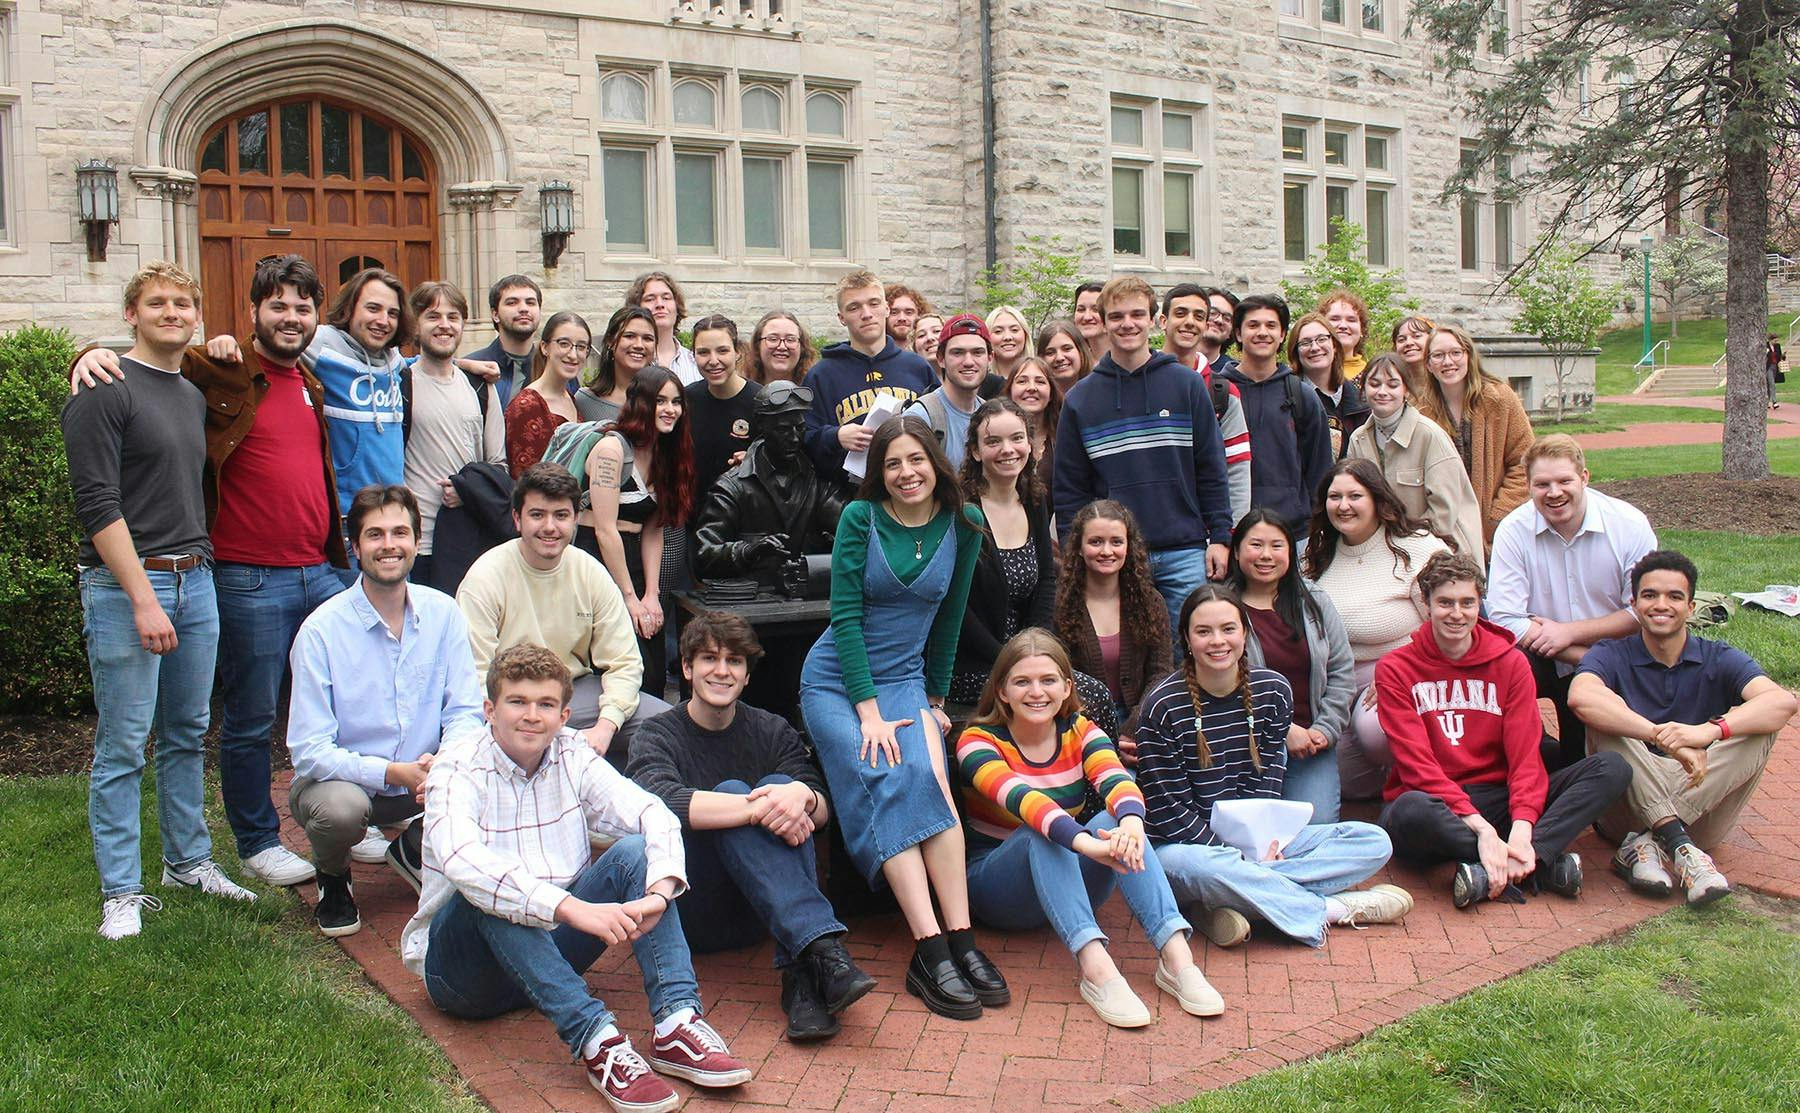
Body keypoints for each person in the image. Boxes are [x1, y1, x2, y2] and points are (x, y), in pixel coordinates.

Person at [72, 253, 351, 887]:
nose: (291, 317)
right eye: (277, 305)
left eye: (302, 307)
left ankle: (331, 825)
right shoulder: (219, 369)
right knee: (243, 720)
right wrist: (85, 352)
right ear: (251, 312)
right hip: (240, 575)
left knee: (325, 712)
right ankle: (249, 841)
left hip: (304, 568)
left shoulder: (306, 381)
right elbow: (135, 377)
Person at [401, 644, 751, 1113]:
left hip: (552, 953)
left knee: (634, 853)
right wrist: (571, 909)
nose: (532, 716)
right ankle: (599, 1042)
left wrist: (660, 892)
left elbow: (652, 812)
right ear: (490, 709)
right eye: (517, 702)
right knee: (491, 894)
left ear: (564, 714)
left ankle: (675, 1023)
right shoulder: (457, 766)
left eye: (545, 705)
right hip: (465, 975)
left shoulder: (572, 754)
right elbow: (465, 861)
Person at [64, 261, 254, 939]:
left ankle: (188, 861)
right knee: (123, 743)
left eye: (183, 303)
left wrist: (227, 344)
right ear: (130, 314)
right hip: (125, 587)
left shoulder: (191, 391)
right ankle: (121, 889)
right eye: (156, 303)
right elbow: (96, 503)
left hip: (195, 579)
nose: (172, 312)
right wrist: (143, 598)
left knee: (184, 733)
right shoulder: (102, 385)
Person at [799, 416, 1006, 1021]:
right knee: (889, 775)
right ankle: (929, 947)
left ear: (934, 462)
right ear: (878, 474)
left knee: (931, 781)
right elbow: (844, 617)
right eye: (892, 464)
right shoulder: (860, 521)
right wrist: (869, 714)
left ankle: (963, 940)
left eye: (915, 460)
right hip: (839, 683)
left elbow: (948, 620)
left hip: (906, 683)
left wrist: (935, 703)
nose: (906, 473)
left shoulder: (963, 524)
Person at [628, 613, 876, 1042]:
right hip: (694, 908)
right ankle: (822, 951)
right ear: (686, 668)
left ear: (746, 676)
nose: (722, 671)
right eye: (709, 658)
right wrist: (753, 808)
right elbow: (659, 803)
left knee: (784, 787)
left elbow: (820, 813)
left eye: (735, 661)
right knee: (743, 791)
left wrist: (804, 796)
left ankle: (803, 978)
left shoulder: (771, 729)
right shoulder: (656, 735)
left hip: (761, 914)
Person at [957, 630, 1221, 1027]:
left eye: (1048, 681)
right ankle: (1097, 971)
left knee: (1115, 820)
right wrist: (1085, 844)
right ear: (1002, 691)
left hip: (1070, 877)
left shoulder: (1081, 730)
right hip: (997, 888)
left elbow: (1116, 778)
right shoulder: (977, 741)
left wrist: (1131, 825)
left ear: (1066, 687)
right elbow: (1027, 802)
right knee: (1040, 831)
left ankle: (1176, 959)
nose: (1036, 692)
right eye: (1022, 682)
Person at [1135, 585, 1411, 949]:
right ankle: (1329, 908)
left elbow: (1265, 783)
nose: (1218, 641)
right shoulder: (1162, 706)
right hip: (1185, 848)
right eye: (1204, 631)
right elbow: (1171, 813)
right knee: (1206, 868)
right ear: (1186, 638)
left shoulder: (1273, 692)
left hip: (1255, 848)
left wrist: (1262, 847)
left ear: (1245, 634)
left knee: (1373, 841)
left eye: (1228, 629)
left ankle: (1237, 900)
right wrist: (1234, 854)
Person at [1377, 552, 1632, 909]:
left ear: (1480, 604)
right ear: (1426, 604)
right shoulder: (1395, 668)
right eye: (1445, 602)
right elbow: (1416, 764)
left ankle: (1513, 860)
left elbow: (1526, 755)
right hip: (1435, 803)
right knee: (1408, 813)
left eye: (1468, 602)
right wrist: (1482, 831)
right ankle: (1538, 864)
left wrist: (1524, 827)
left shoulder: (1510, 662)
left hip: (1498, 796)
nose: (1456, 613)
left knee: (1612, 768)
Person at [286, 485, 485, 935]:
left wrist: (443, 763)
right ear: (355, 547)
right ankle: (333, 878)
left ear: (417, 542)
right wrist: (393, 772)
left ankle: (414, 848)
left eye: (400, 532)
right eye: (375, 535)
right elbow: (309, 751)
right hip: (346, 784)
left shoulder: (444, 613)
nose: (389, 545)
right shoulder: (321, 632)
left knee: (498, 759)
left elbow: (465, 712)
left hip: (423, 775)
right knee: (339, 810)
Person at [1569, 550, 1798, 904]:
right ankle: (1680, 847)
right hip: (1624, 813)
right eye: (1650, 595)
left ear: (1691, 607)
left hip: (1701, 804)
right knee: (1606, 717)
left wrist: (1708, 732)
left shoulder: (1718, 657)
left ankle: (1648, 844)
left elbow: (1782, 702)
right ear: (1634, 604)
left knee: (1759, 726)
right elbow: (1581, 698)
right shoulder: (1611, 654)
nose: (1662, 605)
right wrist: (1660, 735)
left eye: (1674, 596)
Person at [1053, 275, 1235, 638]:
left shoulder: (1186, 386)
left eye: (1137, 314)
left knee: (1188, 649)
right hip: (1114, 555)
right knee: (1125, 653)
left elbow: (1211, 468)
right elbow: (1070, 489)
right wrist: (1078, 556)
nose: (1128, 324)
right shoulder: (1081, 399)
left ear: (1153, 320)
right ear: (1103, 323)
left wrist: (1220, 536)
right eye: (1117, 316)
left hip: (1183, 551)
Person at [457, 464, 671, 763]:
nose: (550, 527)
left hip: (574, 693)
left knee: (667, 726)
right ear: (517, 519)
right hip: (510, 700)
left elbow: (624, 662)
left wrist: (605, 727)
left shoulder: (589, 572)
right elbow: (475, 676)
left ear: (574, 519)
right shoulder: (485, 578)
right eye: (537, 515)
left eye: (560, 515)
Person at [1488, 435, 1657, 772]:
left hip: (1614, 656)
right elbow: (1504, 616)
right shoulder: (1513, 530)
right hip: (1541, 655)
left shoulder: (1628, 524)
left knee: (1583, 764)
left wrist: (1570, 634)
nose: (1554, 493)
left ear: (1584, 478)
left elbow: (1644, 610)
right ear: (1530, 486)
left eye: (1564, 480)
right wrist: (1570, 649)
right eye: (1542, 484)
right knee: (1497, 668)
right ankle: (1522, 756)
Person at [949, 400, 1116, 732]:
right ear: (976, 451)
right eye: (993, 441)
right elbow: (956, 606)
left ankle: (1091, 781)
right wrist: (1011, 659)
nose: (1007, 449)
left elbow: (1045, 583)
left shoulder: (1034, 500)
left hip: (1027, 655)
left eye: (1016, 438)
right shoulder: (960, 513)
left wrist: (1034, 649)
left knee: (1095, 698)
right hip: (974, 662)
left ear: (1030, 443)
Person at [1305, 459, 1452, 799]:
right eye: (1334, 496)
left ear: (1376, 498)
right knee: (1338, 780)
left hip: (1405, 673)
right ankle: (1395, 776)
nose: (1343, 506)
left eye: (1355, 496)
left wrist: (1400, 674)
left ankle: (1432, 778)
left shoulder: (1418, 548)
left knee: (1376, 732)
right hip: (1336, 683)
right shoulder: (1315, 555)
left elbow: (1449, 624)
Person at [1227, 510, 1355, 824]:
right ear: (1237, 550)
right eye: (1256, 545)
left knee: (1315, 827)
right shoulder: (1221, 606)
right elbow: (1218, 683)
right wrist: (1282, 731)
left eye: (1277, 546)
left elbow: (1341, 671)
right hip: (1246, 747)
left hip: (1311, 745)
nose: (1266, 555)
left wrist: (1324, 731)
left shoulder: (1314, 600)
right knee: (1255, 833)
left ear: (1291, 552)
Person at [576, 366, 694, 699]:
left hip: (638, 559)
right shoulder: (611, 451)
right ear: (641, 403)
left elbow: (654, 529)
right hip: (597, 560)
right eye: (660, 401)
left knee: (651, 668)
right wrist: (629, 597)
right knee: (614, 662)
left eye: (676, 402)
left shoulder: (665, 454)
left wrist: (652, 595)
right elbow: (604, 529)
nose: (670, 409)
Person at [401, 281, 506, 589]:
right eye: (433, 316)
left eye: (453, 317)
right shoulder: (400, 383)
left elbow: (498, 463)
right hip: (417, 543)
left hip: (470, 539)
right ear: (415, 324)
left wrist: (468, 490)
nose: (444, 325)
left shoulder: (481, 387)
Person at [1054, 501, 1171, 768]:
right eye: (1096, 542)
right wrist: (1104, 736)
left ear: (1128, 547)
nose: (1107, 551)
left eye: (1116, 542)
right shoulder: (1060, 604)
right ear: (1079, 549)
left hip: (1142, 728)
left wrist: (1132, 729)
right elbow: (1060, 676)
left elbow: (1161, 672)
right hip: (1078, 730)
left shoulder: (1150, 602)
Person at [802, 270, 937, 487]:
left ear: (886, 308)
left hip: (913, 489)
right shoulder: (821, 375)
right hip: (849, 497)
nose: (866, 314)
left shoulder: (918, 367)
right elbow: (802, 438)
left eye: (874, 303)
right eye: (854, 307)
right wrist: (835, 436)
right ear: (841, 318)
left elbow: (940, 428)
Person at [1346, 353, 1484, 562]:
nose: (1382, 391)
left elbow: (1443, 512)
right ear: (1364, 389)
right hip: (1382, 553)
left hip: (1440, 552)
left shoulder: (1430, 435)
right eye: (1374, 384)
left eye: (1393, 385)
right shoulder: (1358, 439)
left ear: (1406, 390)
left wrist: (1406, 543)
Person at [1223, 295, 1333, 537]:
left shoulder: (1301, 395)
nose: (1262, 332)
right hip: (1230, 531)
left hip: (1295, 532)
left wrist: (1318, 528)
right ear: (1238, 334)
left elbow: (1320, 469)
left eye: (1271, 326)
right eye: (1253, 325)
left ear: (1282, 335)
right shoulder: (1216, 392)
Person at [1415, 324, 1533, 546]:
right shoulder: (1420, 411)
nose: (1448, 362)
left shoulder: (1500, 399)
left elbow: (1525, 461)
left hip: (1497, 530)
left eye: (1455, 353)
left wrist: (1497, 517)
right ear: (1429, 364)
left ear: (1469, 356)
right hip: (1442, 532)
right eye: (1438, 355)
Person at [1162, 283, 1253, 523]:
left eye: (1199, 316)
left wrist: (1231, 535)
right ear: (1162, 321)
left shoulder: (1222, 392)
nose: (1189, 322)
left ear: (1205, 326)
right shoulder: (1139, 383)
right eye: (1180, 313)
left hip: (1200, 533)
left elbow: (1236, 470)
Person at [684, 315, 763, 498]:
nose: (713, 360)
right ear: (693, 356)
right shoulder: (686, 400)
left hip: (743, 514)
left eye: (722, 351)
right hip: (692, 514)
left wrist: (756, 461)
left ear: (737, 353)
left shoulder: (761, 402)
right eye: (703, 352)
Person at [505, 311, 588, 477]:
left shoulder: (572, 399)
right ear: (545, 347)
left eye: (581, 347)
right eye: (564, 344)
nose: (573, 354)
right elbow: (523, 479)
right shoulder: (527, 405)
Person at [903, 313, 991, 466]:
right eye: (958, 353)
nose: (969, 361)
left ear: (990, 358)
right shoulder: (921, 417)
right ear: (941, 359)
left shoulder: (989, 414)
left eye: (977, 352)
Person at [1289, 310, 1369, 461]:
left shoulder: (1361, 404)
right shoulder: (1286, 397)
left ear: (1334, 345)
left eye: (1321, 339)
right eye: (1305, 343)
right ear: (1295, 352)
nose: (1314, 347)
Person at [464, 274, 543, 409]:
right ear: (495, 315)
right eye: (512, 302)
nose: (524, 308)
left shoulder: (553, 369)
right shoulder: (472, 369)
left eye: (530, 302)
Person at [578, 306, 655, 424]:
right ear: (610, 341)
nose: (639, 345)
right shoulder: (584, 401)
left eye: (647, 338)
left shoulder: (664, 401)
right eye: (629, 336)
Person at [628, 270, 699, 386]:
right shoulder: (629, 362)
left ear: (677, 306)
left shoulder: (695, 362)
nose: (660, 304)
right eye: (650, 299)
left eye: (666, 298)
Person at [1005, 354, 1061, 491]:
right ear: (1010, 390)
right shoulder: (997, 438)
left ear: (1051, 394)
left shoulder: (1064, 437)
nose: (1031, 388)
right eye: (1022, 381)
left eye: (1040, 382)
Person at [748, 310, 815, 385]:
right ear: (758, 345)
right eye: (773, 339)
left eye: (790, 339)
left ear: (802, 347)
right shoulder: (742, 392)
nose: (782, 347)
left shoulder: (816, 390)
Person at [1317, 289, 1370, 383]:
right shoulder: (1307, 372)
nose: (1343, 326)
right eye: (1335, 319)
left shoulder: (1374, 374)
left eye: (1351, 320)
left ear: (1362, 329)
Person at [1035, 317, 1091, 394]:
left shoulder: (1100, 392)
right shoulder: (1036, 402)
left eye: (1067, 349)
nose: (1059, 358)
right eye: (1050, 352)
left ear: (1081, 351)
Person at [1196, 287, 1240, 377]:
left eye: (1227, 318)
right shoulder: (1171, 363)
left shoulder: (1234, 374)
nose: (1219, 320)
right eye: (1212, 313)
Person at [1388, 313, 1436, 393]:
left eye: (1416, 336)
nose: (1408, 343)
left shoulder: (1445, 383)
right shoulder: (1389, 386)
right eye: (1401, 339)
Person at [986, 305, 1032, 381]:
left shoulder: (1041, 381)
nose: (1007, 337)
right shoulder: (978, 384)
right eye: (998, 331)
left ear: (1025, 335)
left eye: (1014, 330)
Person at [1072, 281, 1108, 363]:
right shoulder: (1074, 364)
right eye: (1081, 310)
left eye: (1096, 310)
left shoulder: (1127, 361)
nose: (1087, 317)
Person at [1768, 333, 1785, 409]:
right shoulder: (1765, 346)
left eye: (1777, 340)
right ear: (1771, 340)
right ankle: (1774, 402)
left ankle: (1766, 401)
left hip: (1775, 367)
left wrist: (1783, 356)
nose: (1776, 342)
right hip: (1768, 367)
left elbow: (1780, 356)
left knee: (1769, 385)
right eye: (1775, 340)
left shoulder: (1777, 346)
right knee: (1772, 384)